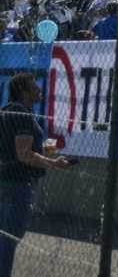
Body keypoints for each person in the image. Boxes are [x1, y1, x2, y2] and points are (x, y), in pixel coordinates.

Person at [0, 73, 73, 275]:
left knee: (4, 237)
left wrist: (40, 151)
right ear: (24, 91)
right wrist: (54, 163)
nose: (39, 89)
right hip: (19, 186)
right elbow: (24, 154)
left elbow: (15, 150)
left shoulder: (7, 110)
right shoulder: (21, 113)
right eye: (34, 86)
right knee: (9, 239)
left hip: (6, 182)